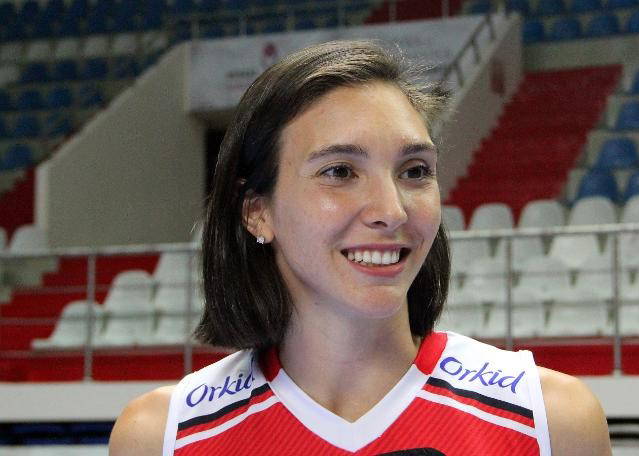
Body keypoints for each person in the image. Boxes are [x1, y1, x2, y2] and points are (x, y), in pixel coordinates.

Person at [109, 40, 611, 455]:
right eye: (340, 171)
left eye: (415, 171)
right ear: (257, 210)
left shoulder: (550, 421)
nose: (391, 210)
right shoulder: (162, 436)